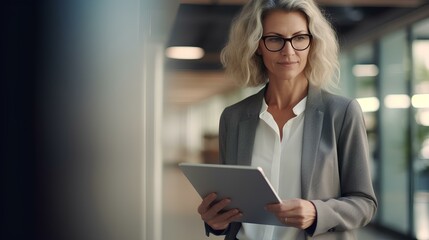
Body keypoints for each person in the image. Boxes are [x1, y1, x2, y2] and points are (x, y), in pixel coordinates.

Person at [196, 0, 378, 239]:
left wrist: (317, 212)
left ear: (313, 43)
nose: (289, 51)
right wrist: (217, 221)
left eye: (300, 38)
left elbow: (365, 203)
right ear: (257, 45)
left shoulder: (342, 112)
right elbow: (231, 204)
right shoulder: (233, 117)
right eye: (275, 39)